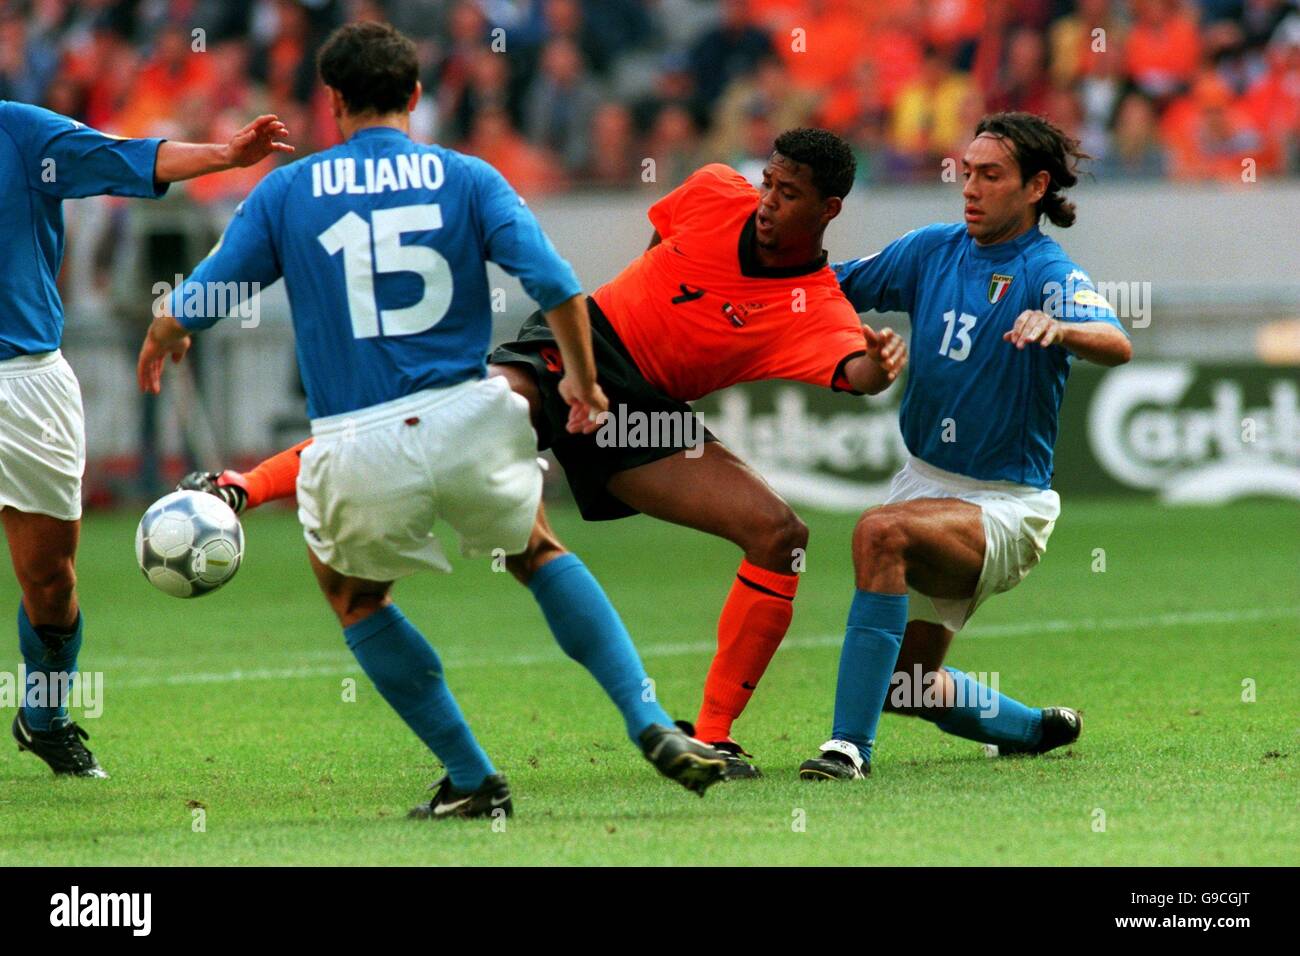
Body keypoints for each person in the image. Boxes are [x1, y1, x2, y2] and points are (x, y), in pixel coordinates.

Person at [182, 127, 908, 780]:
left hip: (646, 419)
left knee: (780, 536)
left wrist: (881, 361)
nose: (768, 204)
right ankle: (242, 486)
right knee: (447, 413)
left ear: (830, 208)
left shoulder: (818, 306)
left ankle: (712, 736)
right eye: (769, 184)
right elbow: (665, 249)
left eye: (789, 194)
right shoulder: (717, 189)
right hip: (577, 347)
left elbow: (857, 372)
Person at [137, 22, 725, 819]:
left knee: (354, 597)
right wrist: (584, 385)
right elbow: (556, 284)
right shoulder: (469, 176)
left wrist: (167, 326)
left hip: (359, 436)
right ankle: (649, 718)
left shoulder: (286, 190)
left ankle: (474, 780)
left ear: (332, 100)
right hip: (469, 414)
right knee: (538, 549)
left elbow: (207, 299)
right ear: (416, 97)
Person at [797, 111, 1133, 782]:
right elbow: (824, 290)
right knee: (909, 686)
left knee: (880, 533)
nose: (970, 188)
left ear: (1036, 186)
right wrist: (847, 342)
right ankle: (1032, 730)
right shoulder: (932, 250)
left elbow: (1117, 342)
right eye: (966, 173)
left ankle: (847, 750)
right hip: (924, 484)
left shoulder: (1046, 271)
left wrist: (1061, 329)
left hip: (1004, 505)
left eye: (990, 175)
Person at [1, 95, 291, 778]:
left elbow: (126, 157)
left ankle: (44, 718)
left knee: (49, 580)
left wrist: (224, 154)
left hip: (24, 387)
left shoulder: (19, 131)